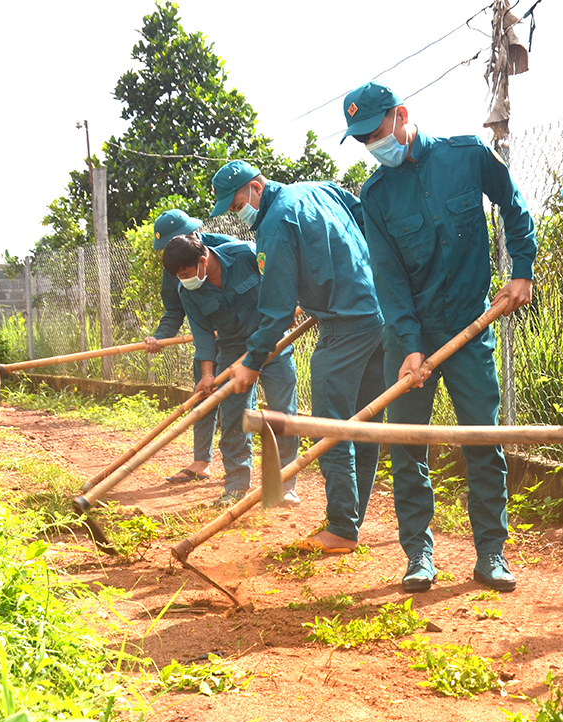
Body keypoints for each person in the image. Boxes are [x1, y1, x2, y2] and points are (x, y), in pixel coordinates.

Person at [341, 81, 538, 593]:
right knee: (408, 446)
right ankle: (418, 554)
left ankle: (491, 552)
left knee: (483, 441)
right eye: (362, 140)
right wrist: (409, 347)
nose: (372, 145)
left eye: (376, 132)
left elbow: (515, 208)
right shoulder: (375, 197)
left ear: (401, 115)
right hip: (411, 340)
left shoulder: (467, 157)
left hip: (472, 329)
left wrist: (522, 269)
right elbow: (389, 279)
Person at [210, 159, 387, 555]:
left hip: (344, 326)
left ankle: (342, 527)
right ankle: (351, 520)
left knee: (332, 425)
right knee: (365, 420)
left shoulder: (274, 226)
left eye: (238, 205)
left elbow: (275, 310)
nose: (239, 216)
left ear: (257, 186)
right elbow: (363, 218)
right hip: (380, 314)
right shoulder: (320, 187)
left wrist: (252, 361)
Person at [161, 233, 300, 508]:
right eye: (178, 276)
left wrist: (291, 305)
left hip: (272, 340)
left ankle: (286, 485)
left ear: (203, 260)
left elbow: (283, 274)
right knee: (234, 418)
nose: (183, 280)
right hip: (232, 350)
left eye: (186, 273)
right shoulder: (186, 291)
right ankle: (236, 486)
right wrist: (208, 374)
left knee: (284, 414)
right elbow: (202, 334)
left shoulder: (245, 254)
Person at [145, 209, 233, 483]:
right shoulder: (173, 265)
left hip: (241, 334)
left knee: (237, 400)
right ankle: (201, 462)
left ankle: (240, 471)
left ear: (193, 235)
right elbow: (174, 309)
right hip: (205, 335)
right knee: (204, 393)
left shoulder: (226, 248)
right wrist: (160, 336)